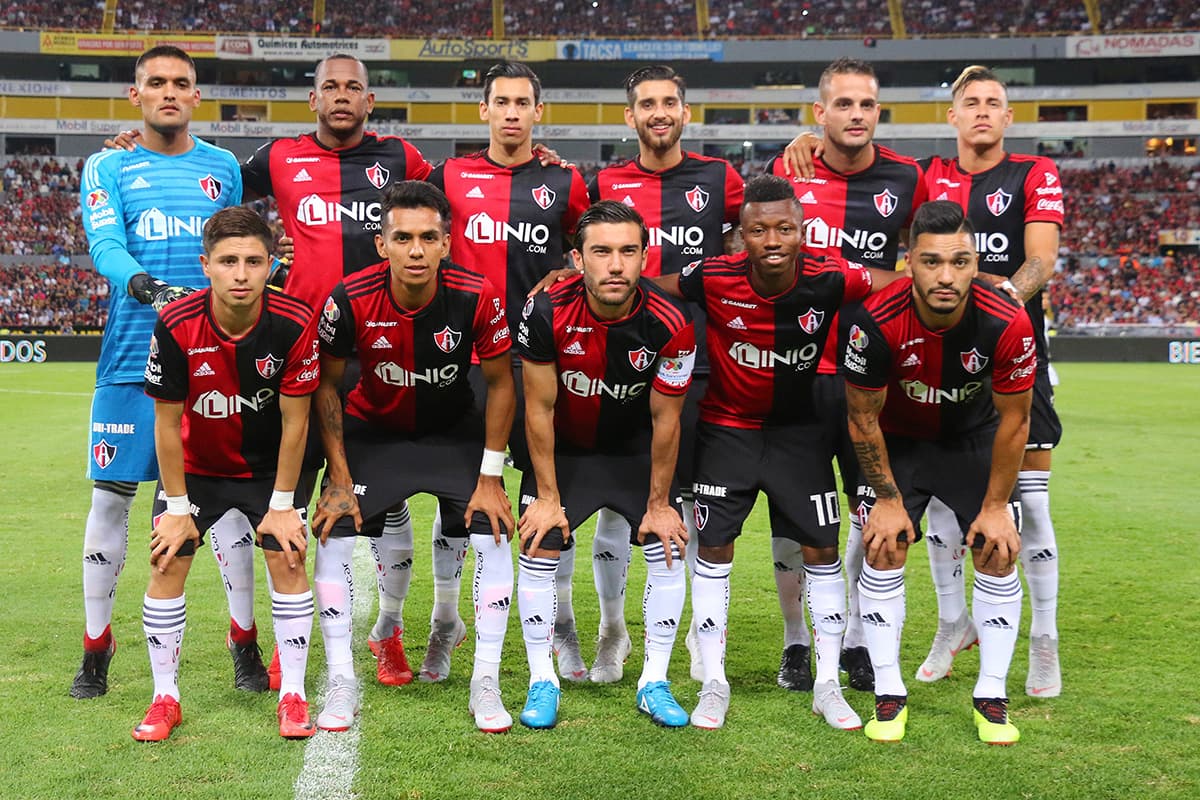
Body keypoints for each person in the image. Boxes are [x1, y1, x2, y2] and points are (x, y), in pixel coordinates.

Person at [665, 175, 903, 730]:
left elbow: (896, 281)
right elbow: (654, 285)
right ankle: (714, 680)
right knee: (715, 550)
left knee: (821, 552)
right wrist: (578, 274)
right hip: (728, 431)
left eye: (784, 228)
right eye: (757, 229)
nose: (772, 239)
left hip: (800, 435)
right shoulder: (713, 276)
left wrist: (969, 280)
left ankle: (826, 684)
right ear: (740, 235)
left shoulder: (831, 276)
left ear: (802, 231)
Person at [74, 45, 262, 700]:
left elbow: (234, 245)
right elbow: (105, 245)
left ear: (196, 96)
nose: (169, 92)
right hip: (130, 356)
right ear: (136, 95)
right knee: (111, 502)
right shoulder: (107, 164)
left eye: (181, 82)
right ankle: (96, 647)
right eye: (156, 82)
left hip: (217, 360)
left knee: (231, 510)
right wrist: (151, 289)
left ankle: (245, 640)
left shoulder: (221, 169)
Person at [307, 181, 517, 733]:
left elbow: (501, 384)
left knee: (492, 527)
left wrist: (491, 476)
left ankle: (485, 680)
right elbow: (326, 387)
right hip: (376, 432)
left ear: (447, 244)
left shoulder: (477, 293)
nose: (417, 250)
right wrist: (339, 475)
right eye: (403, 238)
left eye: (429, 238)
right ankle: (342, 682)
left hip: (452, 432)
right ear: (383, 244)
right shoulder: (348, 297)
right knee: (333, 527)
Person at [843, 200, 1034, 744]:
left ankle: (991, 695)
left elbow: (1015, 422)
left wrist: (996, 508)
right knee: (883, 544)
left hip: (970, 441)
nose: (946, 276)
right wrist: (885, 495)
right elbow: (861, 417)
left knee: (998, 549)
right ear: (909, 263)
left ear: (977, 264)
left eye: (960, 261)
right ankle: (888, 691)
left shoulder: (1006, 320)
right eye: (931, 262)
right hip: (898, 442)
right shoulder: (875, 320)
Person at [424, 61, 590, 684]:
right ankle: (447, 620)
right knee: (458, 499)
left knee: (551, 492)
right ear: (484, 110)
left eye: (524, 102)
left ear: (537, 112)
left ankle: (563, 621)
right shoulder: (448, 174)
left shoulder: (565, 179)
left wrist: (568, 274)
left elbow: (598, 242)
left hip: (545, 357)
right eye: (502, 101)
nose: (513, 112)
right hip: (465, 360)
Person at [133, 206, 319, 741]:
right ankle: (164, 697)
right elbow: (166, 425)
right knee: (167, 562)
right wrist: (174, 510)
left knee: (288, 557)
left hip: (268, 470)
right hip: (196, 470)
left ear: (270, 266)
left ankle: (293, 694)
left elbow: (295, 421)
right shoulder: (175, 322)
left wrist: (282, 505)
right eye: (228, 261)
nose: (241, 273)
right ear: (206, 265)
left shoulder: (294, 321)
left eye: (254, 261)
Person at [586, 65, 743, 683]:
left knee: (693, 503)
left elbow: (762, 218)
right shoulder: (602, 181)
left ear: (684, 112)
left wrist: (799, 148)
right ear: (630, 117)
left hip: (700, 362)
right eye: (646, 103)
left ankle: (702, 638)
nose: (659, 112)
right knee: (615, 502)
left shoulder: (718, 177)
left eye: (669, 102)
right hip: (615, 361)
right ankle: (612, 630)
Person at [515, 200, 694, 728]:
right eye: (601, 252)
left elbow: (667, 421)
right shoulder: (545, 309)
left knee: (667, 547)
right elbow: (539, 407)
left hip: (633, 451)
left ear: (644, 257)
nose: (615, 265)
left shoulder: (673, 323)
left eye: (627, 252)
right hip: (565, 452)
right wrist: (547, 497)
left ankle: (653, 681)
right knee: (538, 543)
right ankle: (540, 679)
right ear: (577, 259)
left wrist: (659, 504)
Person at [915, 66, 1063, 696]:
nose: (981, 111)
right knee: (944, 497)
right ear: (952, 116)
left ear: (1008, 117)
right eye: (969, 102)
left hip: (1012, 348)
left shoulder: (1034, 174)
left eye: (993, 103)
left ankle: (1044, 638)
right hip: (937, 354)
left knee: (1028, 502)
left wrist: (1000, 300)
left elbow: (1040, 260)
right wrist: (803, 145)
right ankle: (954, 622)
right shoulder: (926, 174)